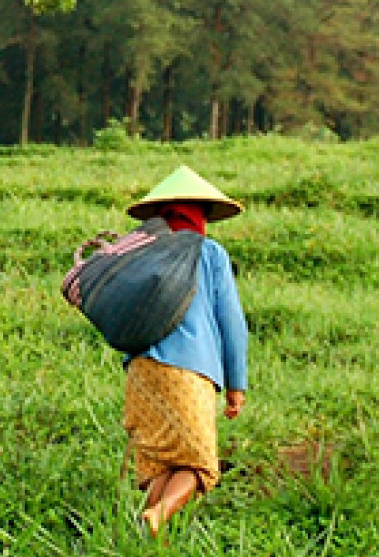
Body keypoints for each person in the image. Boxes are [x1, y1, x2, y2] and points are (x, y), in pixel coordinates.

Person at [119, 166, 249, 537]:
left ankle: (145, 541)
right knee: (201, 466)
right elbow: (232, 322)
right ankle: (156, 518)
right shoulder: (210, 254)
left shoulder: (142, 251)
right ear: (201, 214)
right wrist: (236, 384)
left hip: (141, 370)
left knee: (161, 465)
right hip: (191, 371)